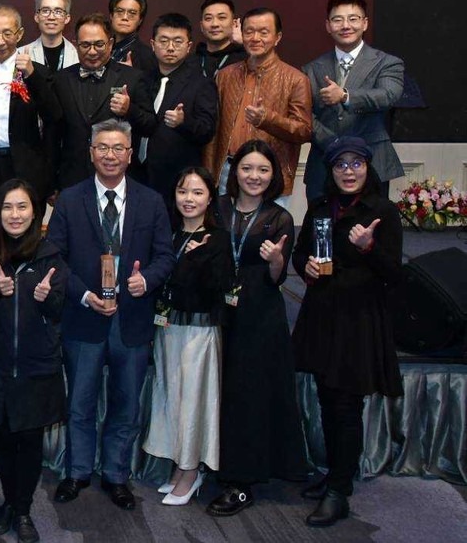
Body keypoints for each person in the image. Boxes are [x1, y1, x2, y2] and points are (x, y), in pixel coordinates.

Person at [46, 119, 172, 511]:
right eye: (102, 147)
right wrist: (85, 295)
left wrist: (145, 281)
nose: (110, 155)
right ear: (91, 152)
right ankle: (77, 471)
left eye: (118, 148)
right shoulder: (69, 200)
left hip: (131, 320)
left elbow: (165, 256)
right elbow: (55, 258)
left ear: (130, 154)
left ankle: (117, 475)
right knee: (80, 403)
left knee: (126, 404)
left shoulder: (152, 201)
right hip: (83, 317)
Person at [292, 136, 404, 527]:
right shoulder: (320, 207)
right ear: (331, 170)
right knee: (327, 399)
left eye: (357, 163)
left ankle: (340, 491)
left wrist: (369, 247)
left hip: (358, 322)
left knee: (346, 405)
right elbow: (301, 252)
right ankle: (335, 475)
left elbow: (395, 275)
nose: (348, 171)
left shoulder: (383, 211)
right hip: (323, 315)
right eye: (341, 164)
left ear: (368, 168)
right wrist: (305, 266)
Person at [206, 140, 307, 517]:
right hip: (218, 309)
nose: (254, 176)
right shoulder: (217, 208)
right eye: (247, 168)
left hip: (259, 317)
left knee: (248, 396)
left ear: (273, 175)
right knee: (218, 391)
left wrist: (277, 260)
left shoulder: (279, 218)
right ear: (235, 172)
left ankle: (241, 482)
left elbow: (277, 278)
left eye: (263, 170)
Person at [0, 178, 65, 543]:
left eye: (22, 206)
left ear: (35, 212)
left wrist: (47, 297)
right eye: (8, 207)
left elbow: (60, 310)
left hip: (37, 367)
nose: (15, 214)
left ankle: (23, 509)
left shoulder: (50, 254)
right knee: (5, 439)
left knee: (30, 441)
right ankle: (10, 503)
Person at [142, 167, 233, 506]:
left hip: (199, 331)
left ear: (210, 197)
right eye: (183, 191)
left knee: (193, 401)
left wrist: (196, 261)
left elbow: (218, 288)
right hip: (168, 329)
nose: (189, 199)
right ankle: (180, 466)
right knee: (170, 396)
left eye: (197, 192)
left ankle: (192, 471)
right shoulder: (168, 234)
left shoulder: (217, 239)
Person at [0, 4, 59, 243]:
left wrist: (32, 76)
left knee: (24, 236)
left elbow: (54, 116)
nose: (0, 40)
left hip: (22, 166)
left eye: (7, 33)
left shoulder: (37, 72)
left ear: (19, 34)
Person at [301, 0, 405, 199]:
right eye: (337, 20)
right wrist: (333, 143)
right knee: (322, 219)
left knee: (372, 219)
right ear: (328, 26)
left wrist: (344, 95)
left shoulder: (387, 63)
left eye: (353, 19)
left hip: (373, 162)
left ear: (365, 23)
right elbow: (304, 113)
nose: (345, 25)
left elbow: (388, 95)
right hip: (323, 163)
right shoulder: (310, 69)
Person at [204, 7, 312, 199]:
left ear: (277, 37)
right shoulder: (225, 76)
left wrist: (267, 119)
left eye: (263, 32)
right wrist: (209, 174)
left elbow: (304, 131)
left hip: (272, 173)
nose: (255, 38)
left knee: (270, 220)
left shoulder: (296, 79)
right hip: (228, 170)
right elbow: (214, 132)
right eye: (249, 32)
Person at [51, 14, 156, 190]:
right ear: (76, 44)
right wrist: (52, 182)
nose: (92, 52)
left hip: (119, 177)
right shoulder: (61, 79)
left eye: (99, 44)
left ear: (111, 43)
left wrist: (129, 110)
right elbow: (53, 134)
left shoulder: (132, 77)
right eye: (85, 45)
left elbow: (150, 126)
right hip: (72, 178)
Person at [137, 13, 218, 207]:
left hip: (176, 179)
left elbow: (207, 131)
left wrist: (184, 122)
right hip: (138, 173)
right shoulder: (142, 79)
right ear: (153, 44)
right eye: (164, 41)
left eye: (178, 41)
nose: (170, 47)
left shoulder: (201, 84)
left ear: (189, 46)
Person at [17, 0, 78, 72]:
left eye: (58, 12)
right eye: (45, 11)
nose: (51, 17)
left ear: (67, 18)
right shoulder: (20, 54)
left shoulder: (78, 54)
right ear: (37, 17)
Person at [107, 0, 156, 77]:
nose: (125, 17)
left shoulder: (147, 56)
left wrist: (131, 75)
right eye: (120, 11)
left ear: (140, 20)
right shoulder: (101, 48)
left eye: (132, 13)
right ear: (111, 16)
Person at [195, 0, 246, 78]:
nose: (215, 24)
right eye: (208, 18)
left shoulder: (246, 58)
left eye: (221, 17)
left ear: (234, 24)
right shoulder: (191, 61)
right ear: (201, 26)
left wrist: (244, 43)